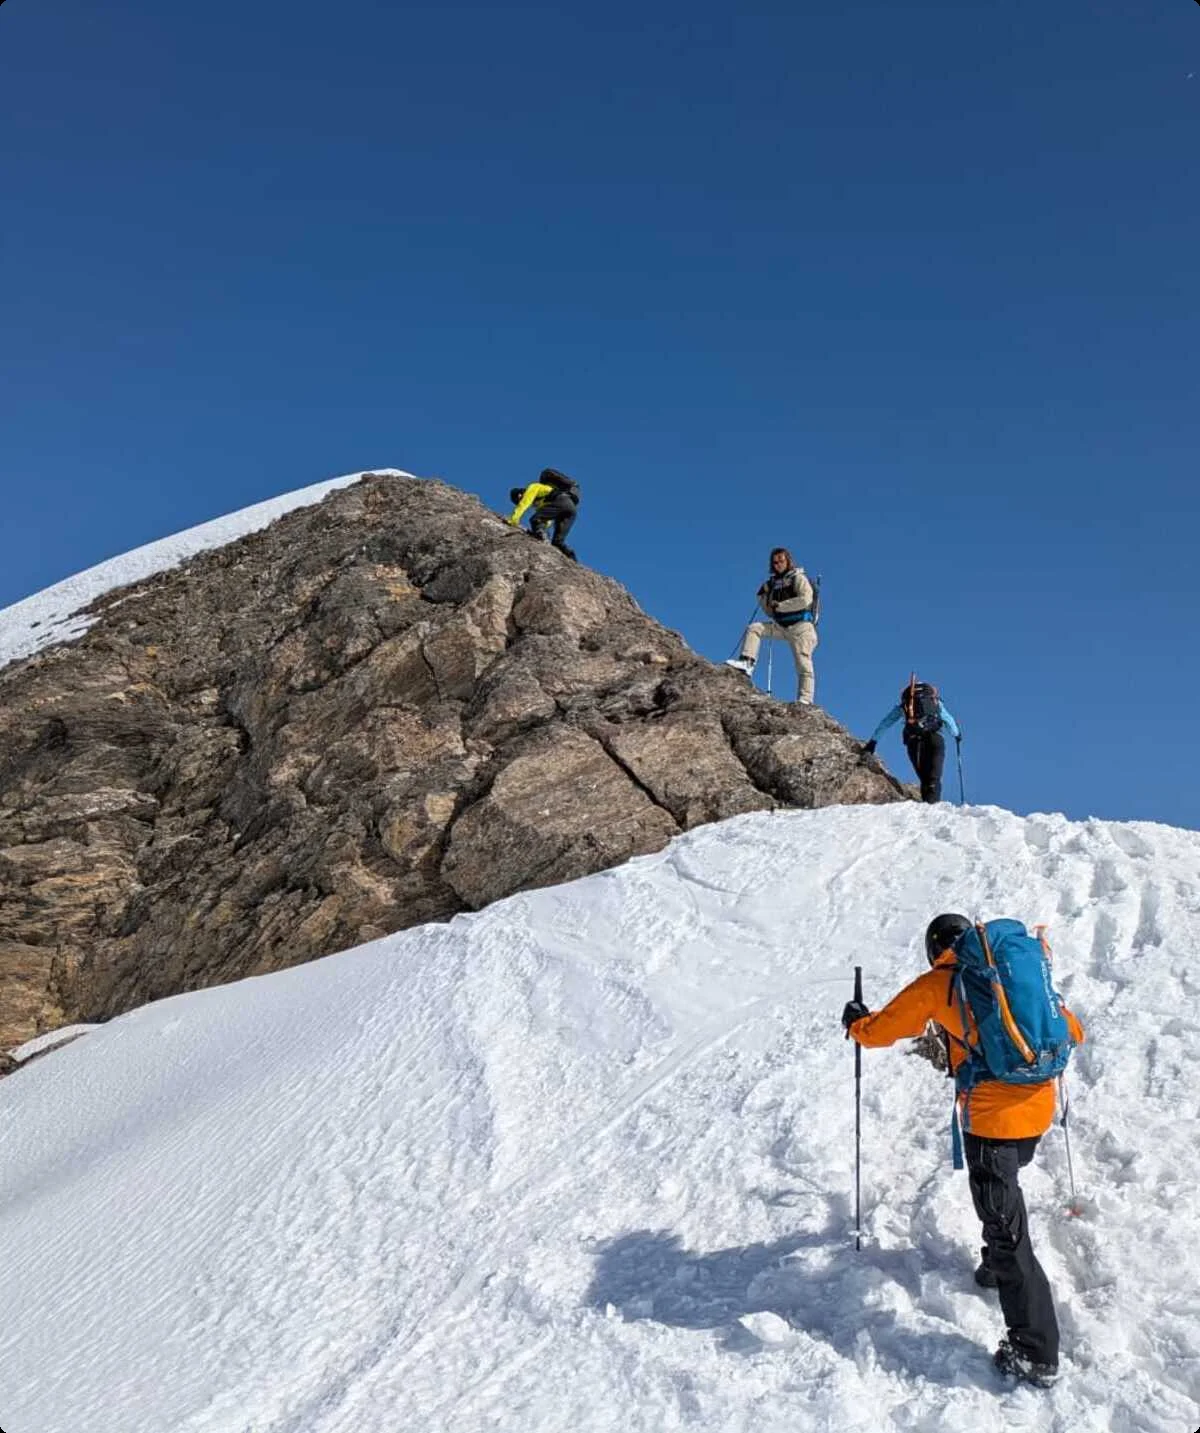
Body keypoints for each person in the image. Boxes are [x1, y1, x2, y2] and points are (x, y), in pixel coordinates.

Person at [842, 912, 1086, 1389]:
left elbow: (880, 1031)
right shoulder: (1009, 974)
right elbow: (1070, 1029)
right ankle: (995, 1267)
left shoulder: (941, 983)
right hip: (1036, 1112)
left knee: (1007, 1228)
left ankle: (1035, 1352)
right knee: (1003, 1202)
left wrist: (856, 1023)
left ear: (936, 949)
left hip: (992, 1121)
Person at [724, 547, 818, 705]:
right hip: (782, 626)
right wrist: (762, 596)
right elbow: (769, 612)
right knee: (755, 628)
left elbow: (805, 600)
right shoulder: (774, 584)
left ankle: (806, 700)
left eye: (781, 561)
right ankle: (747, 662)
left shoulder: (798, 578)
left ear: (788, 561)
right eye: (775, 562)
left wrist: (780, 606)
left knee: (803, 663)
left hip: (802, 628)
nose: (778, 564)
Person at [863, 677, 960, 802]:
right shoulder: (936, 703)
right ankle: (933, 807)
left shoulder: (905, 705)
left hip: (914, 740)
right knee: (934, 777)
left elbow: (885, 723)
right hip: (935, 738)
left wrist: (873, 742)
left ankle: (927, 806)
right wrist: (957, 735)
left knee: (924, 778)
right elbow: (949, 720)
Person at [507, 468, 580, 558]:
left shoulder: (533, 487)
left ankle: (543, 538)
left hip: (562, 501)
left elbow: (524, 504)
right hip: (571, 509)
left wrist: (513, 520)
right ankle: (571, 557)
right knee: (557, 542)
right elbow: (547, 520)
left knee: (535, 519)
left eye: (518, 500)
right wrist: (543, 528)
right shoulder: (541, 501)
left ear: (520, 494)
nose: (519, 501)